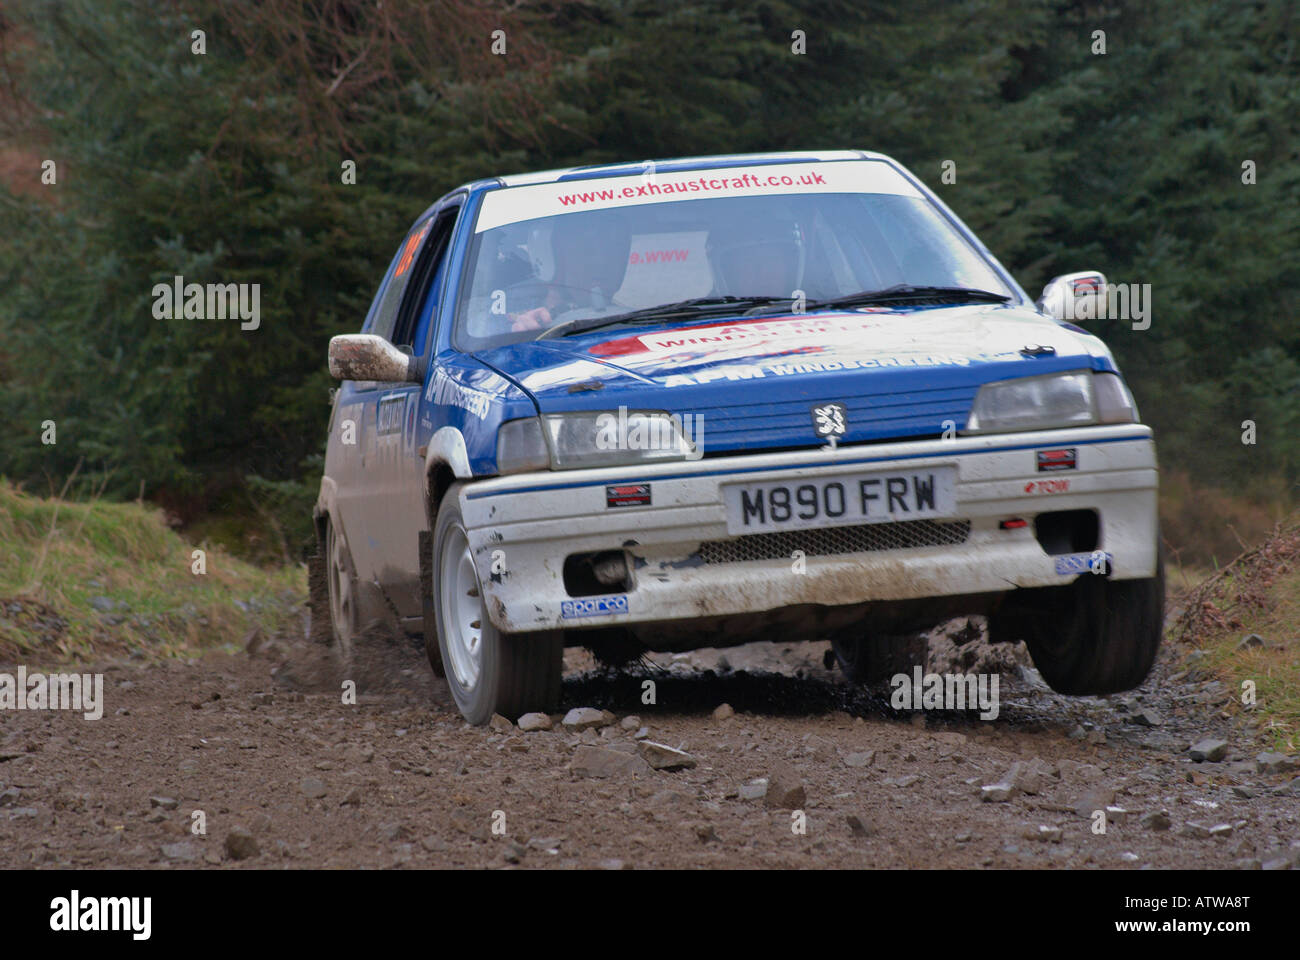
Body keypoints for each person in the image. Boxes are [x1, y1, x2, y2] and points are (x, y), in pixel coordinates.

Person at [505, 212, 632, 332]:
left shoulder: (638, 319)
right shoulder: (508, 323)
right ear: (547, 255)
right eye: (587, 251)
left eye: (613, 252)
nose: (602, 262)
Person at [707, 214, 805, 300]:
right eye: (749, 263)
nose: (763, 272)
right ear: (730, 273)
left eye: (772, 262)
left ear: (789, 267)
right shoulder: (706, 316)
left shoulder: (813, 306)